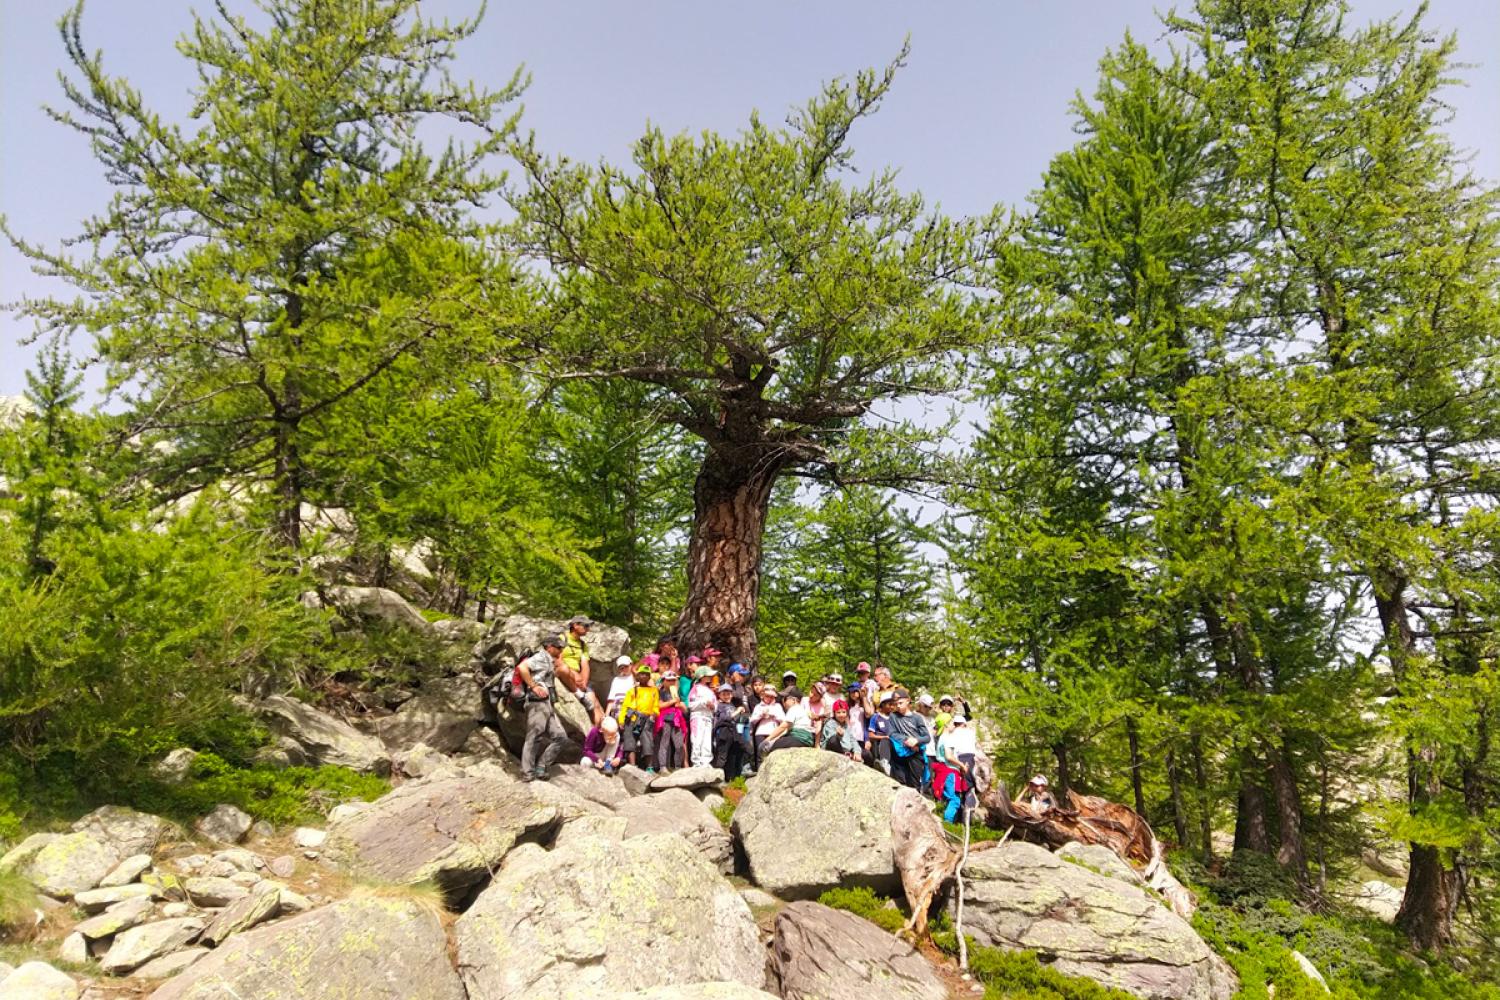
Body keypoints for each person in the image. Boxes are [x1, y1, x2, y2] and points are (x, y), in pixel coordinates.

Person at [517, 635, 569, 781]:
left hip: (547, 703)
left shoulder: (550, 660)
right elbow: (522, 667)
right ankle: (528, 773)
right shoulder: (541, 657)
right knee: (534, 737)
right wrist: (533, 686)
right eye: (559, 647)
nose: (561, 650)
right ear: (550, 647)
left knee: (560, 737)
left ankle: (541, 766)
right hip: (537, 702)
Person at [557, 616, 603, 726]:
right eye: (585, 626)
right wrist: (575, 675)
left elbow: (585, 665)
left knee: (595, 703)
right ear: (575, 625)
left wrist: (584, 682)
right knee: (563, 669)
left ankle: (599, 734)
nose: (588, 629)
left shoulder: (583, 645)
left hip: (578, 677)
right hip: (564, 672)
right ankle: (579, 695)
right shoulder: (562, 638)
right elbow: (558, 661)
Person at [933, 714, 978, 822]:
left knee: (949, 798)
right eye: (952, 723)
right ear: (946, 724)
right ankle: (948, 823)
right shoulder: (947, 738)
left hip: (943, 770)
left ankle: (947, 821)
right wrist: (962, 765)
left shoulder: (941, 738)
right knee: (955, 800)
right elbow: (949, 756)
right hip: (949, 772)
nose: (954, 725)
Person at [886, 690, 931, 790]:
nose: (898, 706)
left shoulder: (917, 718)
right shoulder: (893, 716)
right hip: (900, 753)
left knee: (914, 784)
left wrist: (916, 741)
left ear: (907, 701)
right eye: (895, 704)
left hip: (916, 754)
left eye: (900, 703)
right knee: (899, 782)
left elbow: (927, 737)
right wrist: (907, 741)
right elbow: (892, 733)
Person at [617, 665, 660, 768]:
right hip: (632, 718)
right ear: (637, 676)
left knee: (647, 741)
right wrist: (621, 720)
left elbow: (656, 706)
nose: (644, 676)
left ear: (649, 677)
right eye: (641, 674)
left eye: (646, 674)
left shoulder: (654, 691)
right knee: (630, 740)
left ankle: (649, 767)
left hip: (646, 719)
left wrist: (654, 714)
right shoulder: (632, 690)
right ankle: (632, 766)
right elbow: (625, 706)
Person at [759, 688, 816, 755]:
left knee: (773, 747)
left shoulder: (794, 708)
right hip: (807, 740)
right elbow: (786, 730)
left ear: (794, 700)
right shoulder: (803, 710)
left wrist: (767, 740)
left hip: (799, 738)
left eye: (786, 699)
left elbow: (783, 726)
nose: (784, 702)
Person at [655, 666, 689, 772]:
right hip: (665, 719)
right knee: (664, 743)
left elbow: (684, 710)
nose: (671, 682)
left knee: (679, 744)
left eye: (673, 680)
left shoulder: (676, 692)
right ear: (663, 681)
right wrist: (671, 702)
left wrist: (681, 706)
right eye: (669, 680)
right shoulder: (659, 692)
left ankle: (678, 766)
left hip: (677, 719)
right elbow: (659, 705)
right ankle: (662, 766)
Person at [711, 683, 748, 779]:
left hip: (733, 732)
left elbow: (736, 718)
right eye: (724, 694)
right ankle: (717, 778)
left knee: (734, 754)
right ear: (719, 695)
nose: (727, 696)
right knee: (722, 756)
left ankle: (732, 778)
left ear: (731, 695)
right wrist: (737, 711)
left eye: (728, 694)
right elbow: (724, 718)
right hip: (723, 731)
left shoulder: (731, 705)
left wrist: (740, 712)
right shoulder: (719, 706)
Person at [688, 665, 718, 768]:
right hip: (697, 717)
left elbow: (716, 706)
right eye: (707, 675)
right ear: (701, 676)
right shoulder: (695, 689)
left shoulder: (711, 691)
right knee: (697, 739)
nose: (710, 677)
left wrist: (712, 706)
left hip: (708, 718)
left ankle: (706, 761)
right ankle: (696, 762)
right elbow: (691, 704)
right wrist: (704, 703)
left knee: (707, 740)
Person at [749, 685, 785, 770]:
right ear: (762, 695)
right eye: (767, 696)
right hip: (760, 733)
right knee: (760, 754)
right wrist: (761, 715)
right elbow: (752, 720)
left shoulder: (777, 706)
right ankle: (759, 773)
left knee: (773, 753)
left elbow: (783, 720)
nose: (769, 698)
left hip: (773, 732)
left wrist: (773, 714)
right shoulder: (758, 706)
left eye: (771, 697)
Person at [865, 690, 894, 775]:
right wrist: (884, 737)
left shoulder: (894, 717)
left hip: (893, 746)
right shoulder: (875, 717)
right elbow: (870, 735)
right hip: (879, 746)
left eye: (893, 704)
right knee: (885, 741)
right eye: (890, 704)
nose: (892, 707)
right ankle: (884, 763)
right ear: (883, 704)